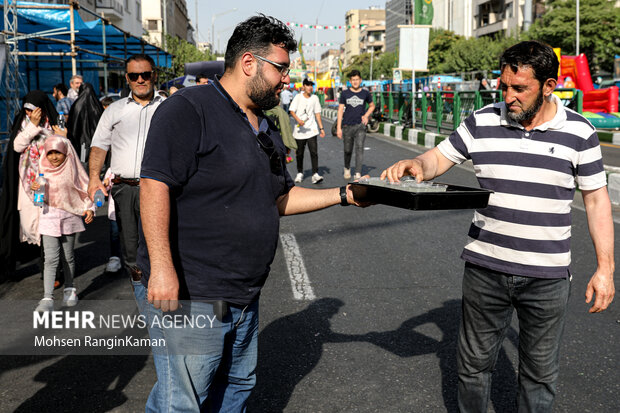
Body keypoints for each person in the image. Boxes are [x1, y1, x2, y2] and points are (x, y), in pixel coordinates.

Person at [135, 14, 366, 412]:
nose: (286, 79)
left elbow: (280, 197)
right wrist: (161, 267)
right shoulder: (189, 109)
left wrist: (346, 194)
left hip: (244, 291)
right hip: (195, 290)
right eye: (281, 69)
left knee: (237, 387)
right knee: (183, 401)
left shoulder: (266, 125)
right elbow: (154, 185)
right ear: (248, 63)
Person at [381, 41, 615, 413]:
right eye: (504, 86)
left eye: (519, 88)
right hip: (485, 268)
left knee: (539, 375)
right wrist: (417, 164)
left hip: (547, 277)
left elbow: (597, 200)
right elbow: (439, 157)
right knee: (472, 368)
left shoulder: (580, 131)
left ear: (549, 86)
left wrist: (605, 268)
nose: (509, 96)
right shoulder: (482, 121)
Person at [88, 54, 164, 279]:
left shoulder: (169, 107)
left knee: (159, 245)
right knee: (131, 250)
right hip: (125, 189)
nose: (140, 79)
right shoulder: (114, 110)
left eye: (145, 74)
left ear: (154, 76)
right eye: (134, 75)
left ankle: (158, 301)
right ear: (127, 79)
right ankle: (144, 302)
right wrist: (94, 178)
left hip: (158, 188)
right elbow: (99, 145)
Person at [0, 91, 63, 278]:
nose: (29, 113)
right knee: (31, 226)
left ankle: (52, 271)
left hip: (50, 184)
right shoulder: (23, 125)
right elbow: (17, 146)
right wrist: (32, 126)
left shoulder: (53, 124)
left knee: (49, 227)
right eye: (26, 110)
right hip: (28, 186)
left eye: (32, 110)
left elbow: (63, 147)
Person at [33, 136, 94, 312]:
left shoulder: (73, 168)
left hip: (69, 215)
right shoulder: (42, 169)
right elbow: (38, 197)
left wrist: (89, 208)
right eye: (50, 152)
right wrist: (36, 188)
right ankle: (47, 298)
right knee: (51, 258)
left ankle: (69, 289)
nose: (53, 157)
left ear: (65, 152)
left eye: (57, 152)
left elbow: (85, 188)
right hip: (48, 216)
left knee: (68, 257)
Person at [336, 69, 375, 180]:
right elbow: (340, 110)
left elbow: (372, 105)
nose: (355, 82)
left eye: (357, 79)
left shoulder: (365, 93)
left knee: (359, 148)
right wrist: (338, 128)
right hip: (347, 125)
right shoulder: (345, 93)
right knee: (347, 150)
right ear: (350, 81)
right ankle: (347, 167)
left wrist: (366, 115)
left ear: (360, 80)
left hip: (360, 126)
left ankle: (358, 172)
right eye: (353, 80)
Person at [289, 78, 325, 184]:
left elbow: (317, 114)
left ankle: (315, 174)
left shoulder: (315, 98)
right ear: (303, 86)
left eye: (311, 85)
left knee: (314, 152)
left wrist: (321, 128)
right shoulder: (298, 97)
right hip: (299, 131)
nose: (310, 87)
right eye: (308, 85)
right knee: (299, 153)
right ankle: (300, 172)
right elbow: (291, 110)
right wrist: (298, 120)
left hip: (312, 130)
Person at [67, 83, 104, 163]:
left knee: (82, 163)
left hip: (81, 142)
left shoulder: (76, 105)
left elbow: (72, 125)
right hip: (97, 142)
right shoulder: (98, 106)